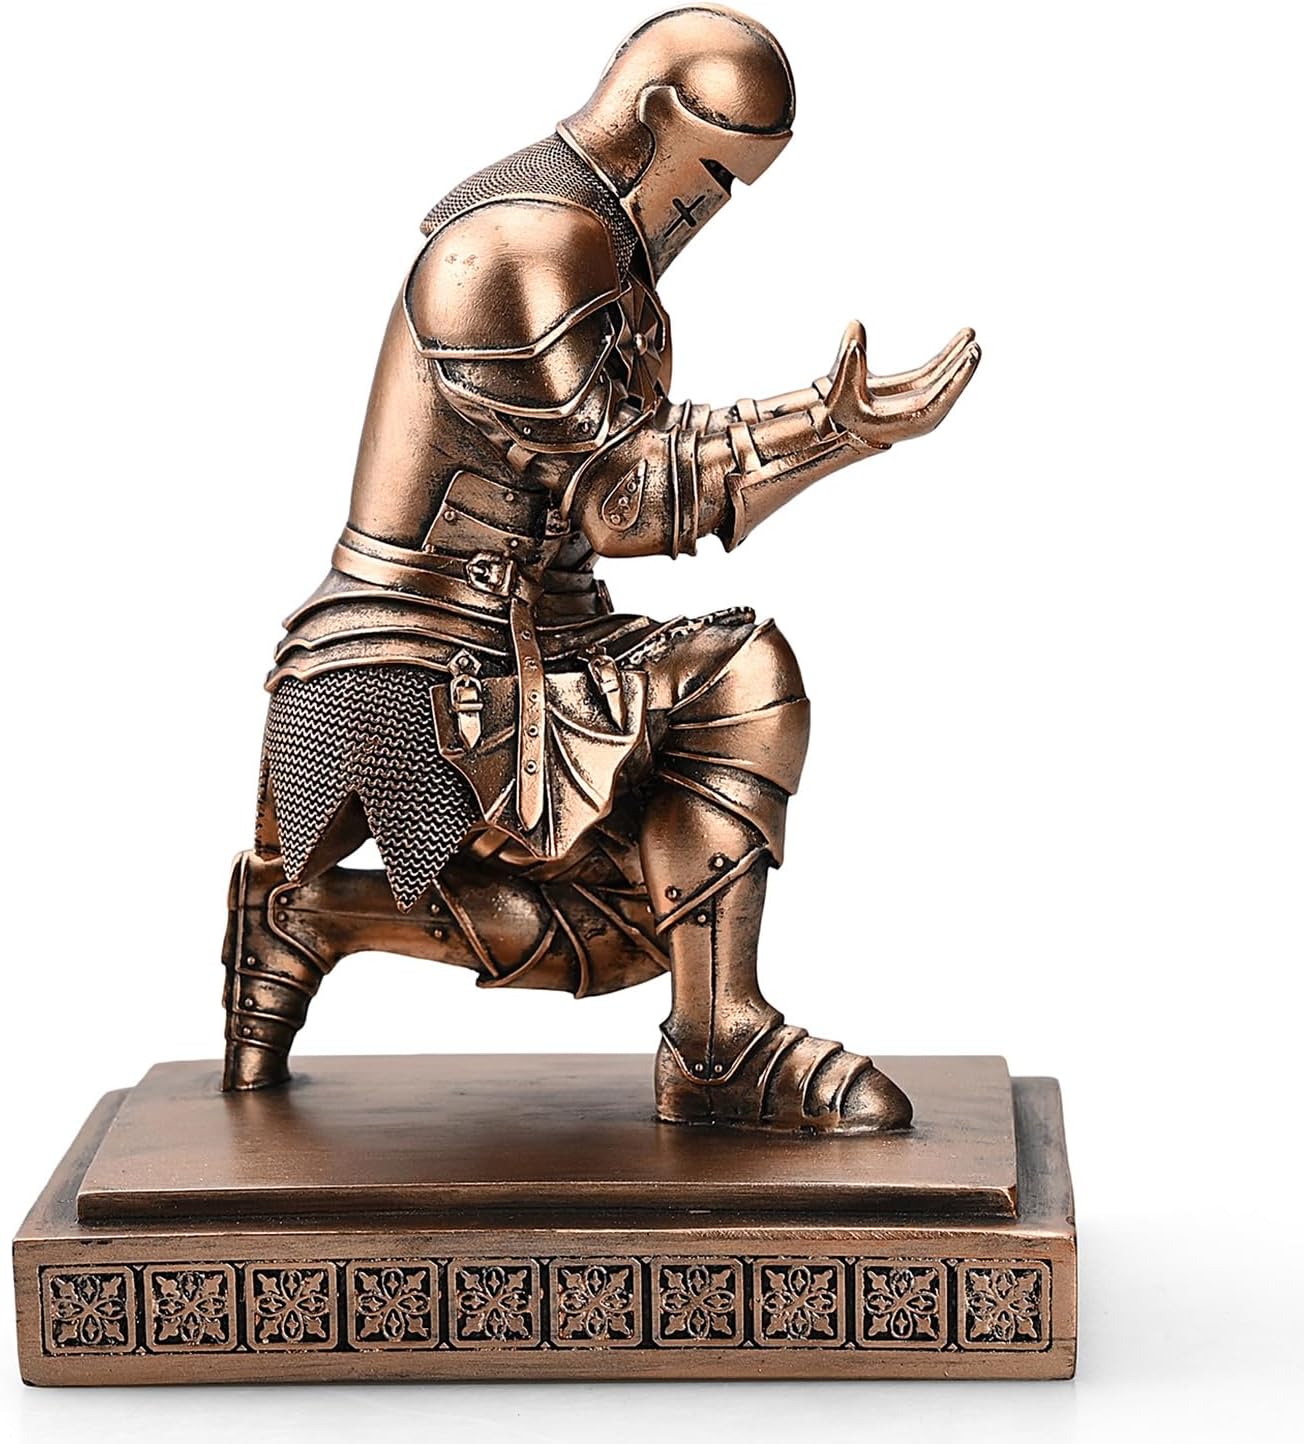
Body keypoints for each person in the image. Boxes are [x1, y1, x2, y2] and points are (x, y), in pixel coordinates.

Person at [223, 5, 979, 1132]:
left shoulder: (597, 250)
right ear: (660, 113)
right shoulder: (517, 249)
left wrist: (829, 428)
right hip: (422, 658)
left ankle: (313, 919)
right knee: (742, 677)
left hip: (546, 638)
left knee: (647, 918)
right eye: (714, 174)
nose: (712, 206)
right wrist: (831, 425)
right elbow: (622, 497)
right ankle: (718, 1045)